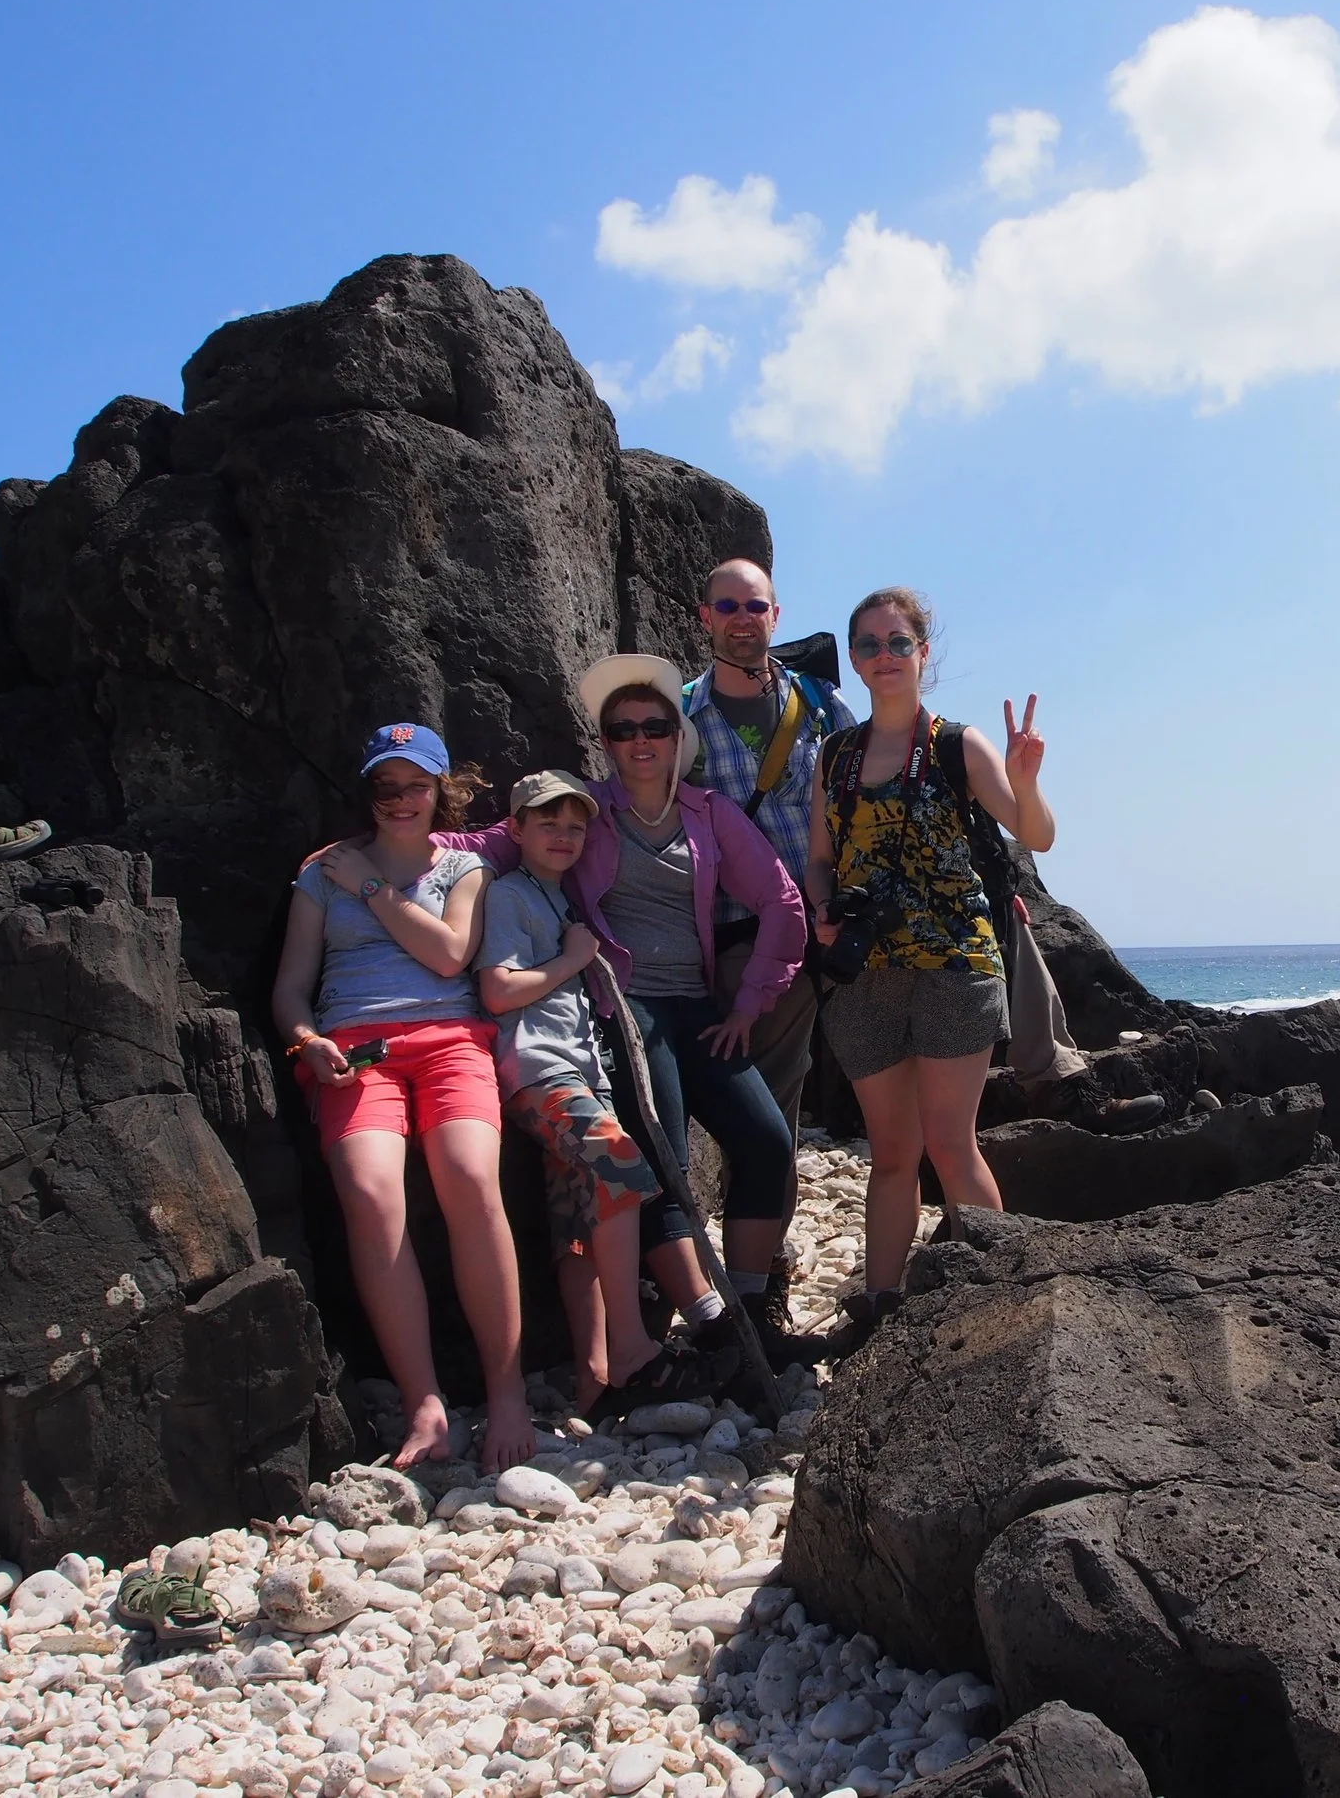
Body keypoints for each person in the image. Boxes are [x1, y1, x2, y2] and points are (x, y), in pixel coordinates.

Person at [440, 654, 823, 1367]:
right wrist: (376, 857)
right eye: (623, 728)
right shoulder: (584, 811)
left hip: (699, 1007)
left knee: (767, 1141)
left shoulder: (710, 816)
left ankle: (747, 1311)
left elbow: (782, 901)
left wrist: (749, 1002)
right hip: (626, 1008)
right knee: (666, 1161)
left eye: (655, 725)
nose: (640, 739)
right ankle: (718, 1328)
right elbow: (482, 842)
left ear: (679, 738)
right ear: (608, 742)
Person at [270, 723, 535, 1472]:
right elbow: (292, 986)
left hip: (451, 1037)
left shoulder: (462, 868)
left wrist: (370, 888)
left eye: (415, 784)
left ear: (438, 789)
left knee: (471, 1176)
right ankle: (425, 1400)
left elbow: (450, 953)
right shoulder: (320, 872)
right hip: (354, 1049)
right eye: (385, 787)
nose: (400, 800)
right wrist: (304, 1039)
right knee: (370, 1190)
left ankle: (507, 1389)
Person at [807, 588, 1054, 1332]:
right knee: (890, 1152)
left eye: (898, 642)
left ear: (923, 652)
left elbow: (1036, 837)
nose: (885, 656)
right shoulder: (836, 755)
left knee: (949, 1143)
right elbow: (820, 857)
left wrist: (1025, 777)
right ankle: (880, 1310)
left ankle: (1000, 1305)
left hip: (954, 965)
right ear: (853, 660)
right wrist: (820, 913)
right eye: (870, 645)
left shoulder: (958, 743)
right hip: (865, 974)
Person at [475, 770, 742, 1413]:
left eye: (575, 827)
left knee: (576, 1221)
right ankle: (631, 1350)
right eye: (547, 825)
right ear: (516, 830)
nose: (564, 837)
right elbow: (498, 989)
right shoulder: (512, 896)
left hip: (575, 1070)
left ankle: (593, 1377)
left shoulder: (557, 897)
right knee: (621, 1168)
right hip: (543, 1070)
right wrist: (572, 959)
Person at [680, 557, 856, 1325]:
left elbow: (869, 793)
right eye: (729, 605)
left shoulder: (818, 703)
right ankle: (758, 1287)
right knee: (769, 1111)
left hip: (833, 926)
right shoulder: (679, 715)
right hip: (746, 939)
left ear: (776, 616)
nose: (744, 617)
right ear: (704, 616)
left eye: (757, 605)